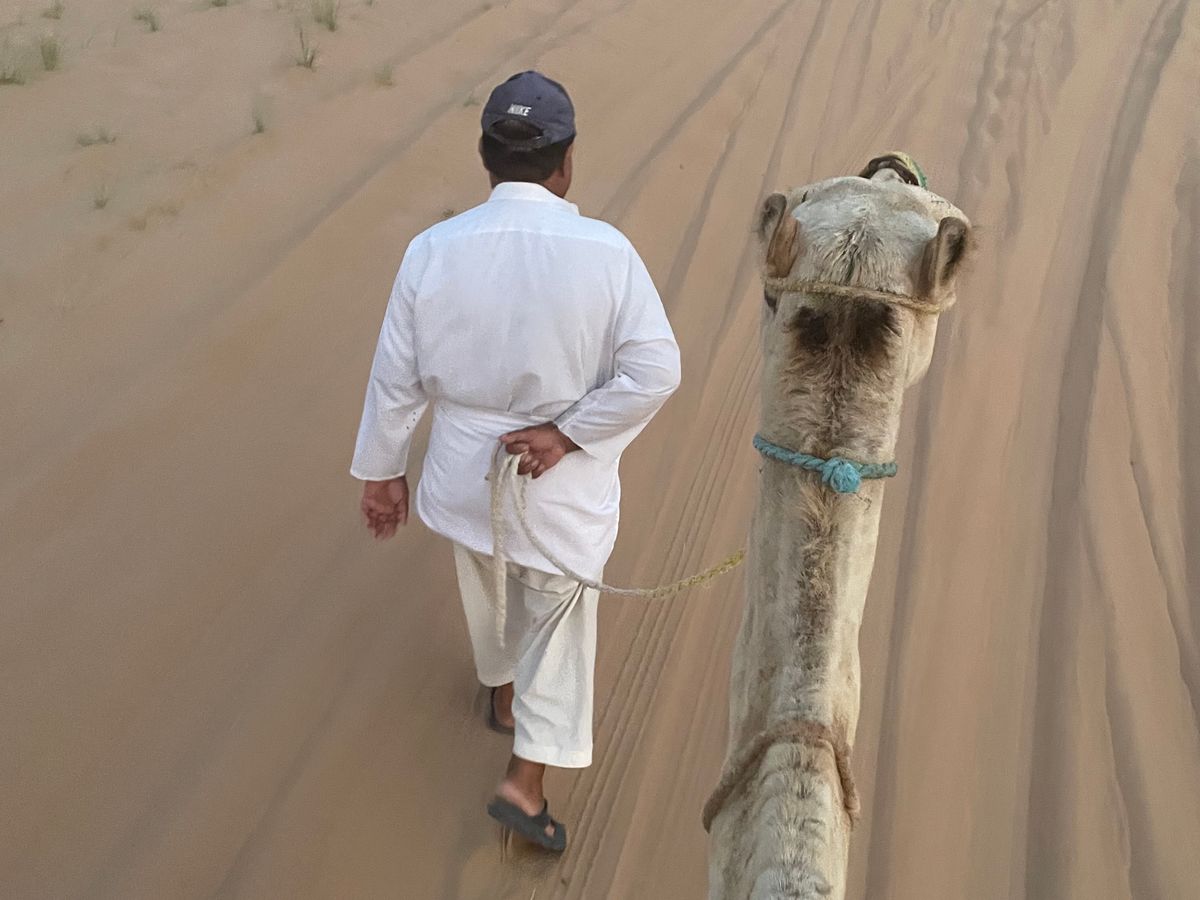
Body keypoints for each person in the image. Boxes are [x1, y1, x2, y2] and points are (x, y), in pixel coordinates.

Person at [349, 71, 681, 852]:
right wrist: (567, 433)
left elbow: (396, 376)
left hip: (463, 476)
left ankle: (502, 697)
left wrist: (382, 472)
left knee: (488, 583)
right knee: (557, 620)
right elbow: (655, 372)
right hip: (555, 483)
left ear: (485, 157)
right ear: (566, 162)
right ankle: (523, 787)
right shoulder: (608, 253)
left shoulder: (432, 249)